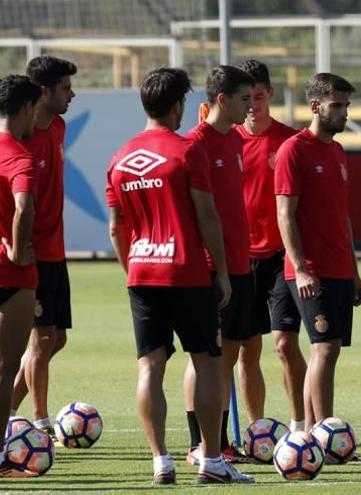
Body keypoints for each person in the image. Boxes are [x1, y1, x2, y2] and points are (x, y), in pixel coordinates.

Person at [105, 67, 252, 484]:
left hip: (142, 272)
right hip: (186, 270)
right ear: (177, 105)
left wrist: (132, 266)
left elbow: (116, 227)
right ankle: (210, 460)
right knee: (207, 360)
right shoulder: (187, 151)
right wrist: (221, 271)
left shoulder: (119, 158)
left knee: (150, 367)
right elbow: (207, 216)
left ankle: (161, 462)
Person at [275, 73, 361, 429]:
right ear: (315, 106)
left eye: (347, 106)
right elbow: (285, 214)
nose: (344, 113)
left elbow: (342, 216)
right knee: (323, 349)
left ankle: (314, 433)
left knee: (330, 351)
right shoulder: (293, 150)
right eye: (337, 106)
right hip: (311, 269)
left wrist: (355, 270)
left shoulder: (338, 152)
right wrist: (300, 267)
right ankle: (323, 431)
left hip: (340, 268)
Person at [183, 65, 254, 465]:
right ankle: (199, 444)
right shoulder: (197, 143)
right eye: (244, 99)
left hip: (239, 262)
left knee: (227, 356)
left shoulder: (236, 142)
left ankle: (220, 443)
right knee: (202, 356)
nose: (250, 106)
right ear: (222, 99)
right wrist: (216, 266)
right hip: (211, 267)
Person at [234, 59, 305, 433]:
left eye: (258, 96)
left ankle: (299, 427)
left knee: (284, 343)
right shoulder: (226, 140)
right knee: (247, 348)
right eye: (246, 98)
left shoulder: (290, 142)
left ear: (270, 95)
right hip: (241, 258)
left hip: (281, 258)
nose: (252, 105)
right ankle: (257, 429)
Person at [9, 56, 76, 439]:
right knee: (43, 336)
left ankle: (9, 410)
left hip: (56, 249)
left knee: (57, 338)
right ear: (44, 92)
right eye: (65, 87)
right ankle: (40, 422)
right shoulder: (20, 137)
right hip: (32, 253)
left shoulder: (61, 126)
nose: (72, 94)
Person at [0, 74, 40, 478]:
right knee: (5, 368)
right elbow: (23, 207)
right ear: (28, 109)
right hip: (11, 274)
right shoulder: (19, 155)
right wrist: (14, 246)